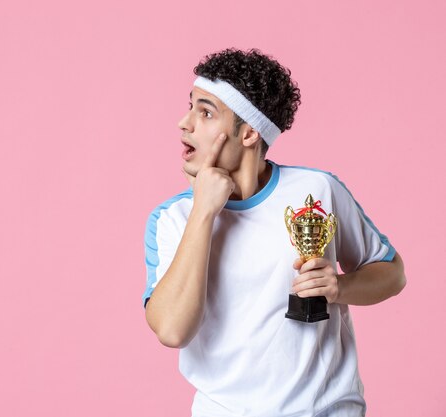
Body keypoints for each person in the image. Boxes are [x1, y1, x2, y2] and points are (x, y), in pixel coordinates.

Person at [142, 48, 406, 417]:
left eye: (205, 112)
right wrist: (203, 210)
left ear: (249, 133)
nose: (184, 124)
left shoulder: (317, 190)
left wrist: (339, 288)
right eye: (190, 108)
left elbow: (392, 274)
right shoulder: (173, 218)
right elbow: (172, 331)